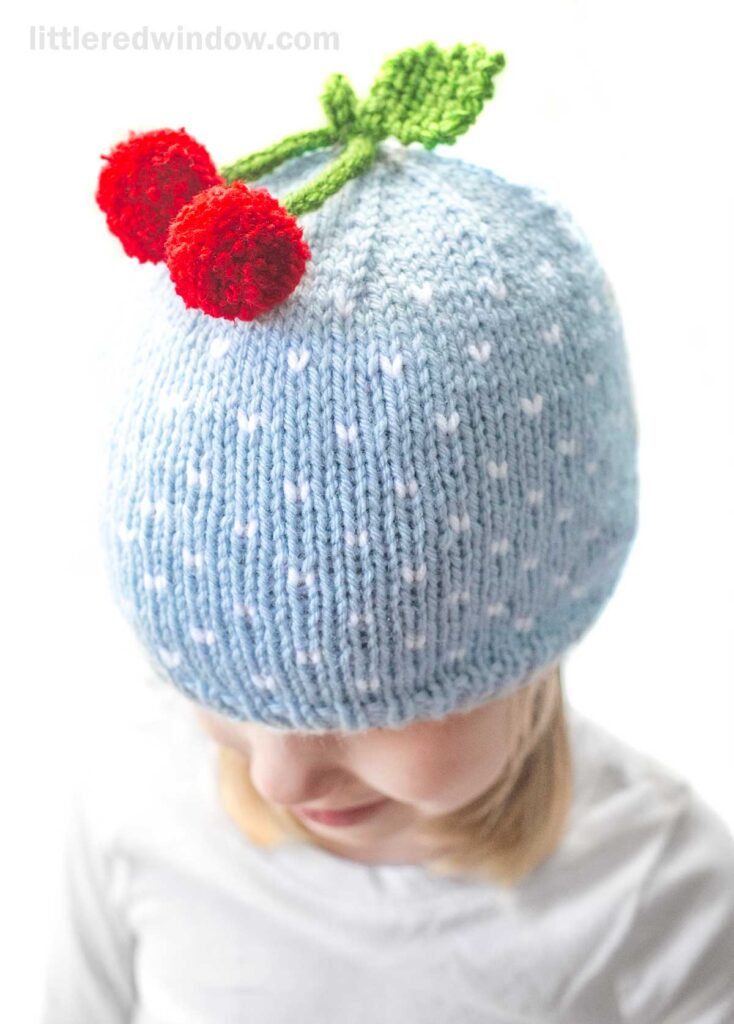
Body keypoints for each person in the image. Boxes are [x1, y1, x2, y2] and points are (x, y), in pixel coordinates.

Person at [41, 41, 734, 1023]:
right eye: (212, 678)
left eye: (361, 704)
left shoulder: (657, 899)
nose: (276, 771)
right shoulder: (138, 813)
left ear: (531, 613)